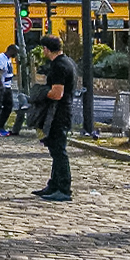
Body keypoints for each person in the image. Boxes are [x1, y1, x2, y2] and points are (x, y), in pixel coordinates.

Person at [34, 36, 77, 201]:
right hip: (62, 111)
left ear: (46, 49)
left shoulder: (59, 66)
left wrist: (42, 93)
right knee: (55, 149)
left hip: (58, 113)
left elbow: (57, 93)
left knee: (59, 151)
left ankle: (64, 188)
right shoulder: (68, 62)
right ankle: (54, 184)